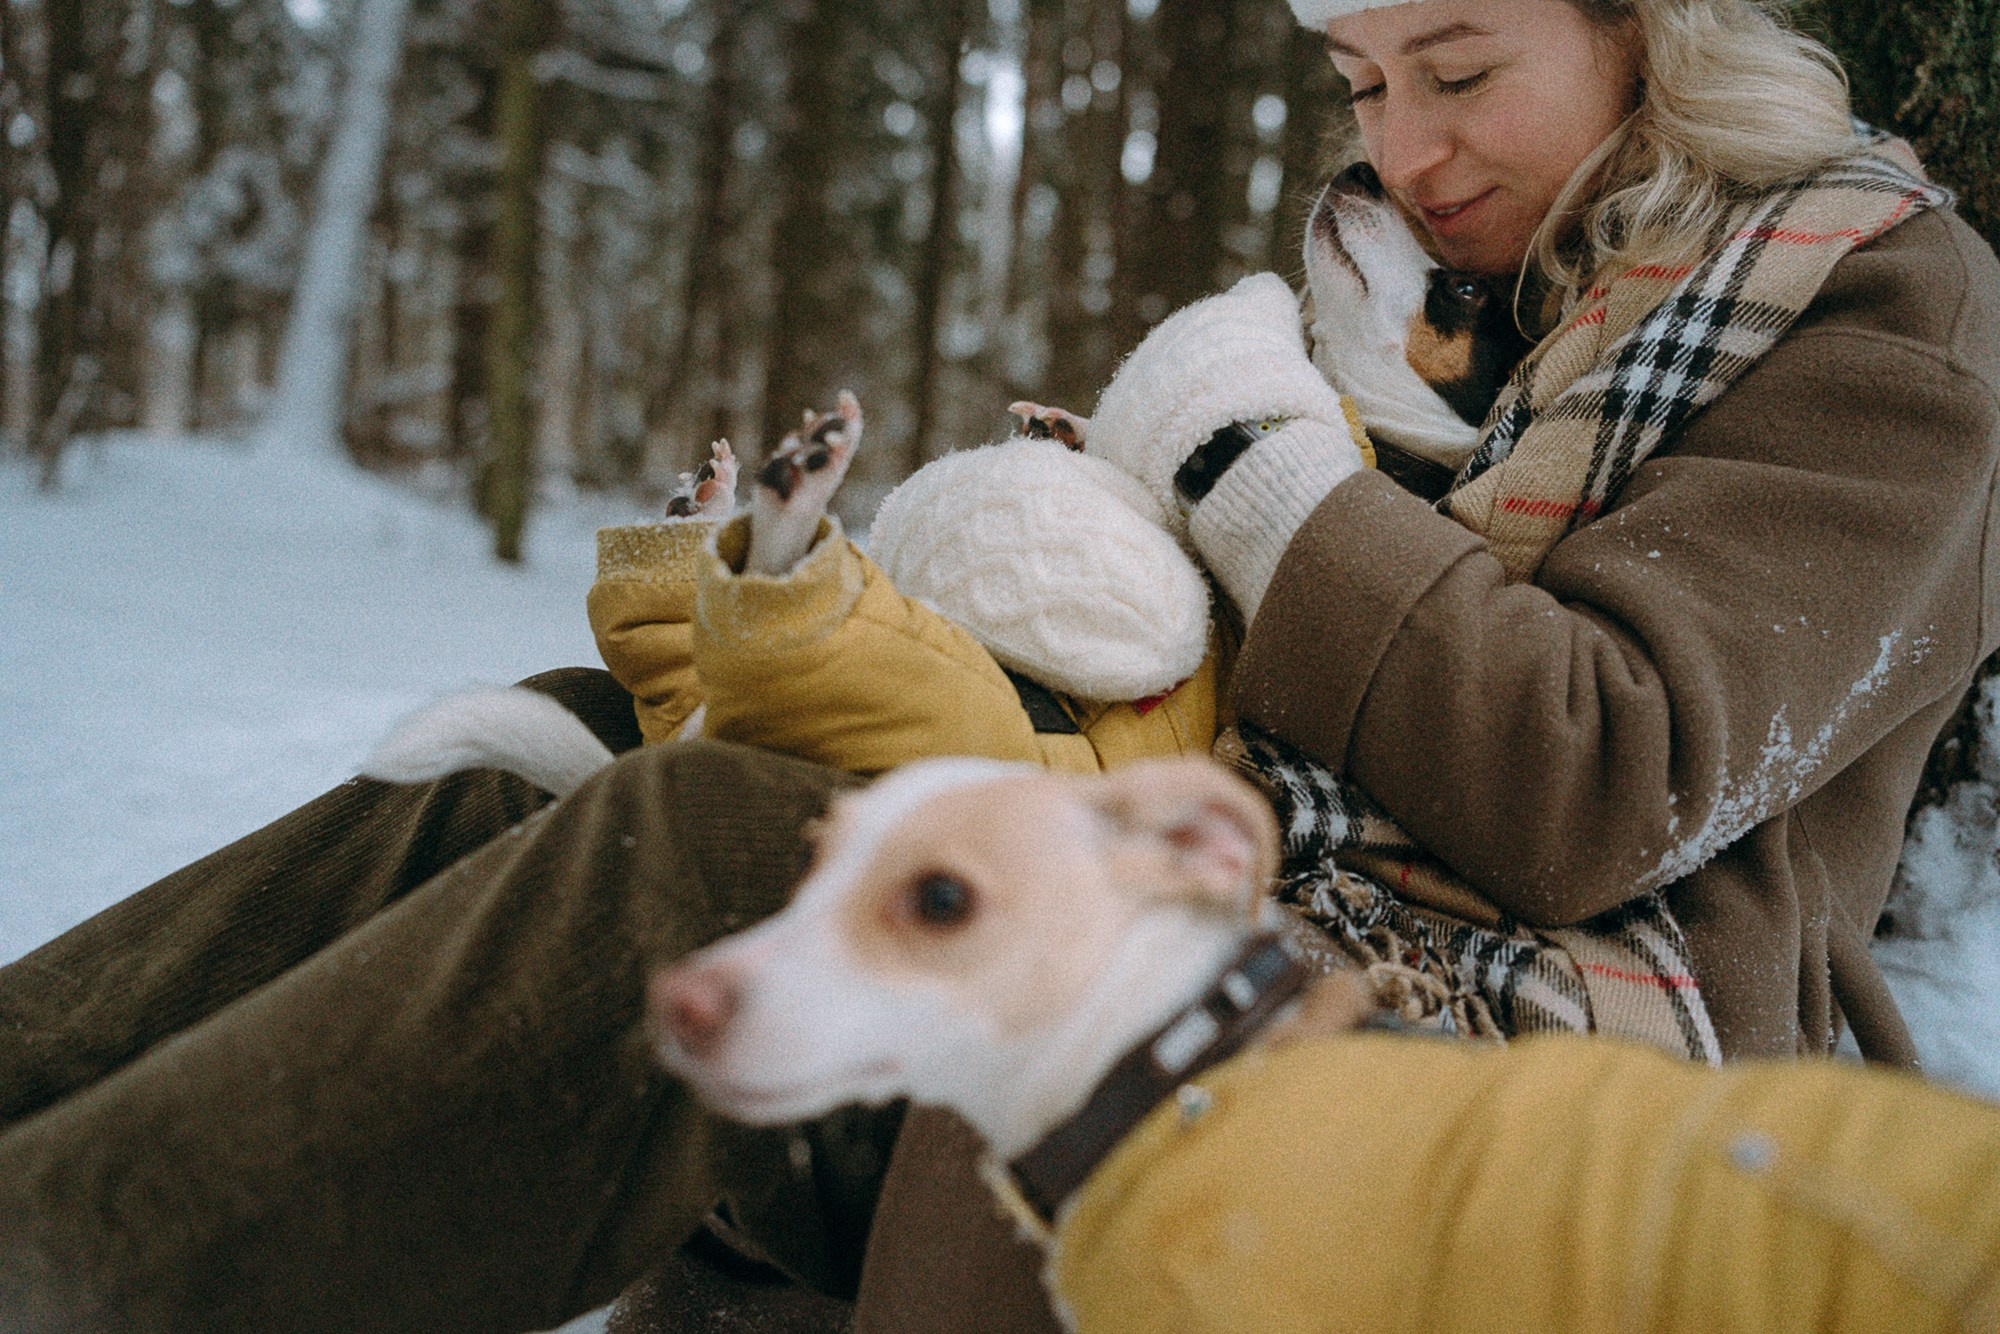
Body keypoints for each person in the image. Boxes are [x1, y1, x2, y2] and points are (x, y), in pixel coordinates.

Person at [0, 0, 1992, 1330]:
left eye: (1455, 68)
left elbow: (1594, 776)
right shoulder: (1427, 306)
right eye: (1360, 83)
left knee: (723, 852)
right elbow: (1221, 678)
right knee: (570, 757)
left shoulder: (1884, 307)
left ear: (1655, 26)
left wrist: (1249, 473)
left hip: (1523, 1021)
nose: (1402, 142)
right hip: (1209, 882)